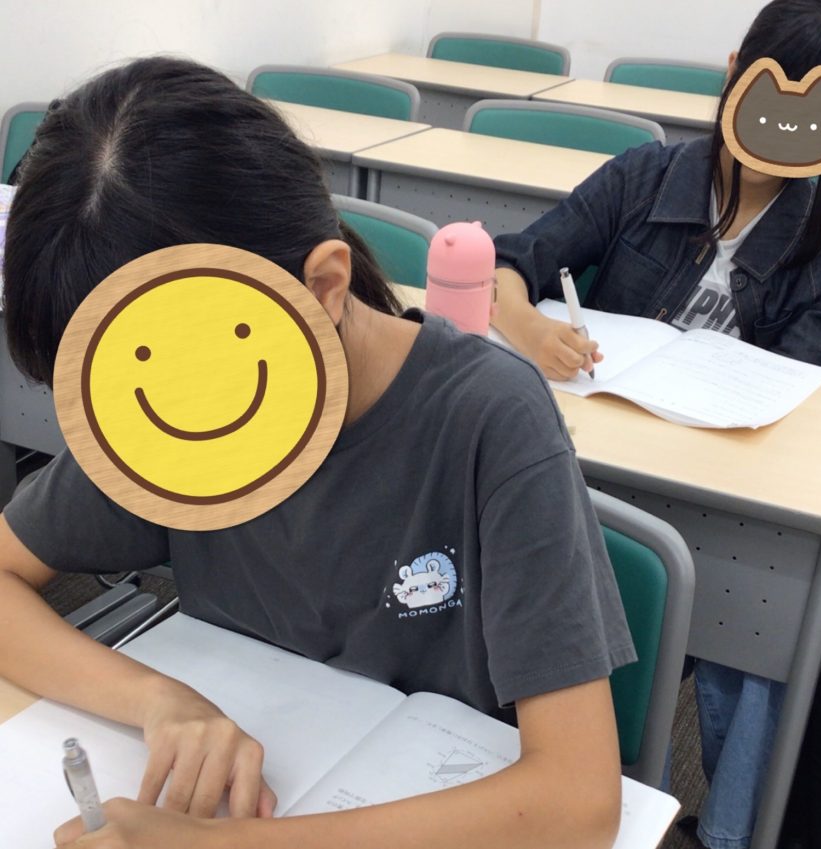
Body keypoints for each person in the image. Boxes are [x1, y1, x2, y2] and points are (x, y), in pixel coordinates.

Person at [0, 57, 637, 849]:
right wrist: (160, 700)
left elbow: (579, 803)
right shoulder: (161, 421)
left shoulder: (489, 416)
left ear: (326, 287)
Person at [491, 2, 821, 846]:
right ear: (735, 69)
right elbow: (511, 263)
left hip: (720, 492)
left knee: (769, 618)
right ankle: (614, 789)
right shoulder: (644, 177)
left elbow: (790, 407)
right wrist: (527, 325)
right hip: (589, 464)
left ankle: (724, 832)